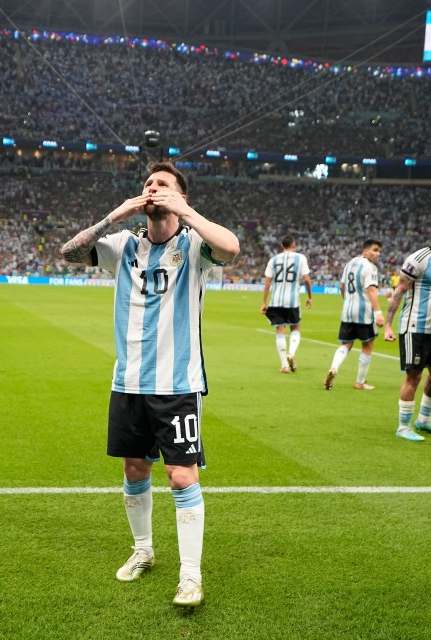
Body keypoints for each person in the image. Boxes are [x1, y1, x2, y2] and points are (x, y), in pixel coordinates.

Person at [60, 161, 240, 608]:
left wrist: (188, 211)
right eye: (148, 184)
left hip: (178, 384)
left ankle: (191, 577)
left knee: (181, 477)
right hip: (129, 382)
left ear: (179, 197)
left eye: (162, 185)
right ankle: (143, 550)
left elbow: (232, 248)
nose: (152, 189)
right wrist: (114, 216)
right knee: (134, 470)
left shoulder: (195, 245)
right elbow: (69, 252)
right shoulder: (123, 245)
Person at [384, 218, 431, 442]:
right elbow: (399, 292)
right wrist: (388, 324)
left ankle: (424, 420)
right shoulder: (418, 259)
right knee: (414, 375)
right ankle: (403, 426)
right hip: (414, 327)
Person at [325, 239, 385, 391]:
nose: (378, 254)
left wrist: (348, 301)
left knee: (346, 344)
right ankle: (360, 382)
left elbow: (342, 286)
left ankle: (333, 367)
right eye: (375, 250)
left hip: (348, 310)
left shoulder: (350, 263)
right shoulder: (370, 267)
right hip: (364, 312)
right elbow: (372, 290)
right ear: (365, 251)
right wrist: (378, 312)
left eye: (379, 251)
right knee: (368, 345)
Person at [261, 235, 312, 373]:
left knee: (280, 330)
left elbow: (267, 283)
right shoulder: (300, 258)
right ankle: (291, 353)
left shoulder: (273, 260)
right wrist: (309, 297)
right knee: (295, 329)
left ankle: (284, 364)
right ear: (293, 244)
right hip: (292, 301)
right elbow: (307, 279)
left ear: (281, 246)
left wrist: (264, 302)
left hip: (276, 301)